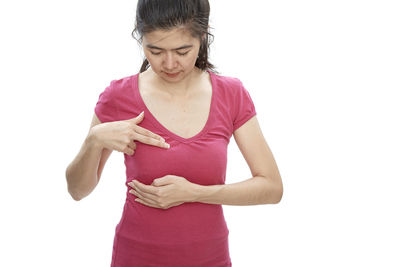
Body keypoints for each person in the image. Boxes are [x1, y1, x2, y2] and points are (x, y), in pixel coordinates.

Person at [65, 0, 283, 266]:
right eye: (155, 51)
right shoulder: (118, 96)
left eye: (182, 51)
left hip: (210, 258)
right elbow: (77, 191)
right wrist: (93, 140)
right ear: (140, 37)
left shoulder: (231, 94)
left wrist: (194, 193)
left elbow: (272, 188)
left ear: (202, 38)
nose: (169, 63)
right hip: (136, 256)